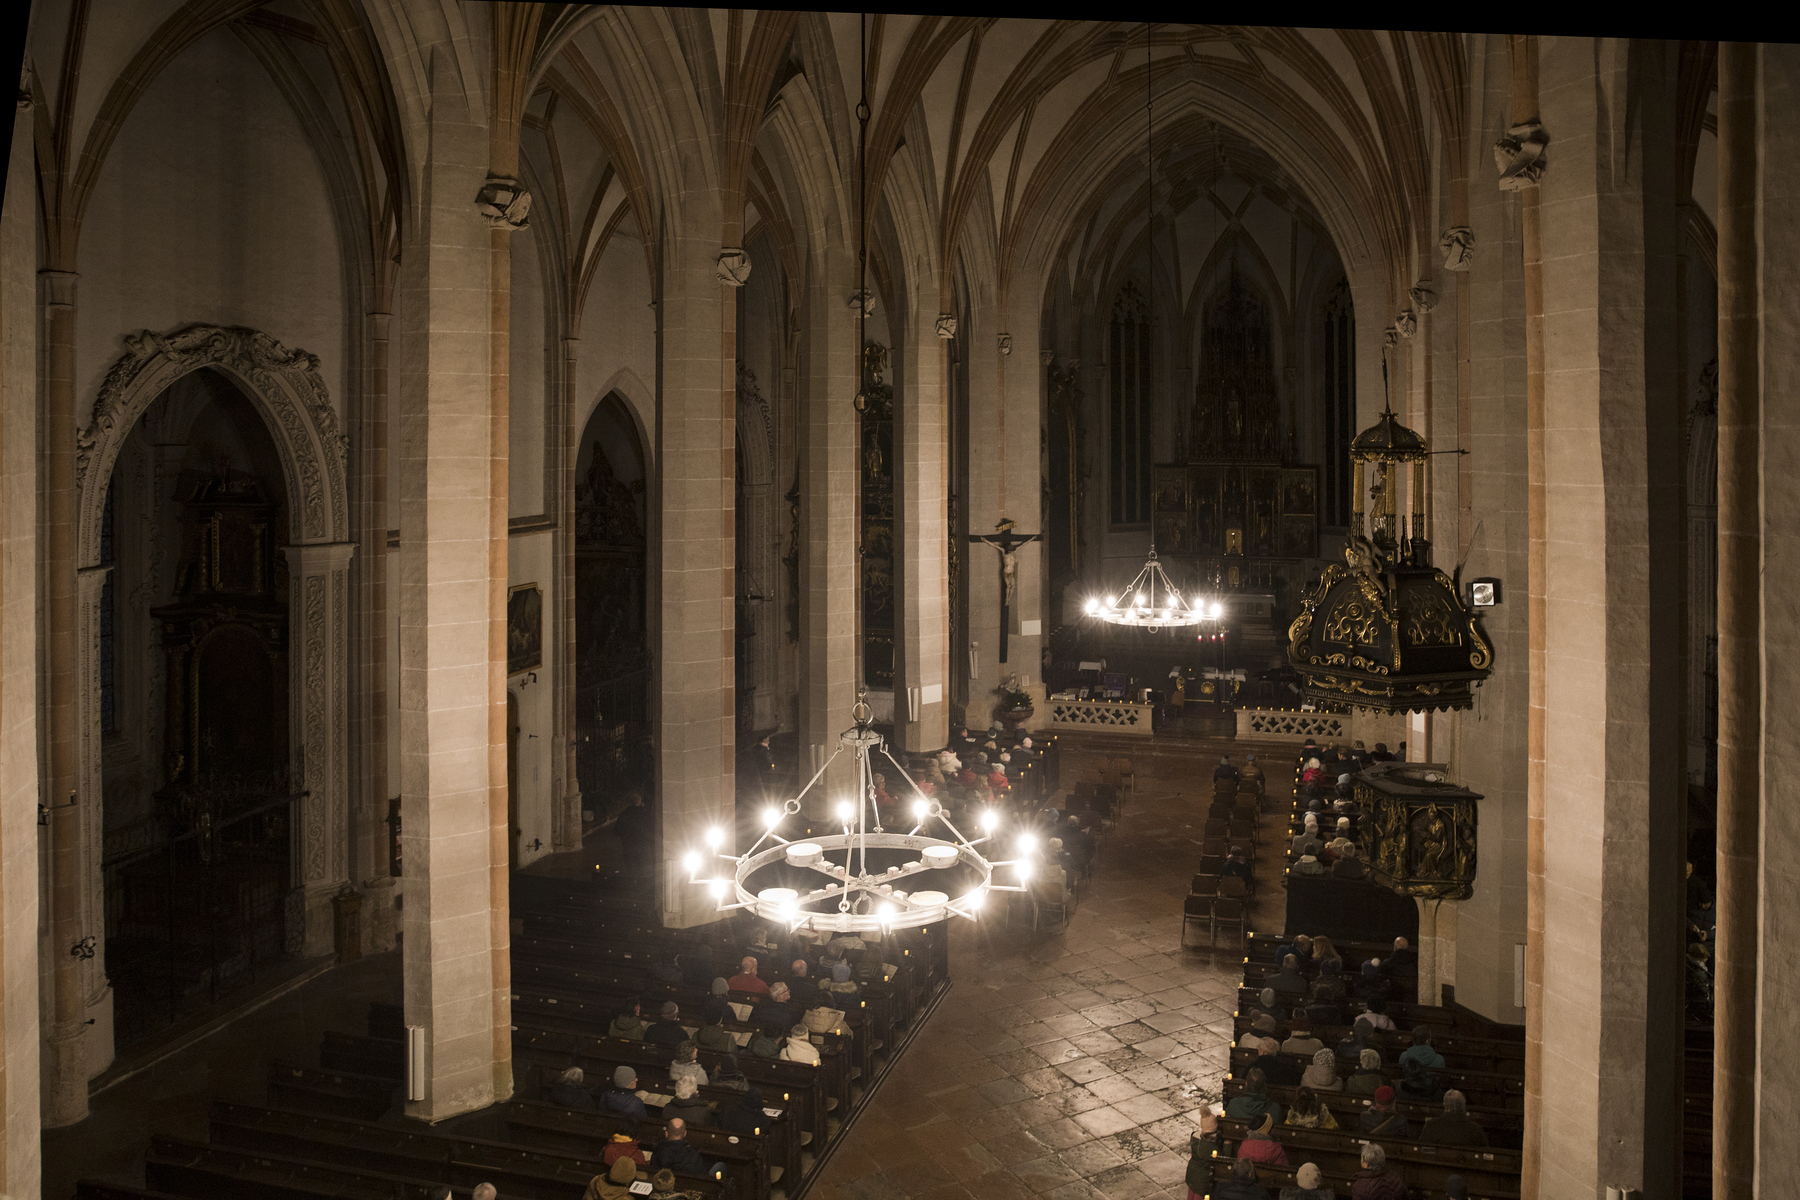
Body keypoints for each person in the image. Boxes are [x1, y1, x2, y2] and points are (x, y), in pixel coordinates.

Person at [1419, 1090, 1489, 1148]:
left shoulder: (1431, 1125)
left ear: (1444, 1104)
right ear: (1463, 1105)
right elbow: (1484, 1153)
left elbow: (1421, 1149)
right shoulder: (1476, 1129)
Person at [614, 793, 655, 873]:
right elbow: (651, 828)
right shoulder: (645, 814)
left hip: (628, 847)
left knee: (631, 870)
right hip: (643, 847)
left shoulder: (624, 815)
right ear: (639, 802)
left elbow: (616, 830)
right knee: (644, 870)